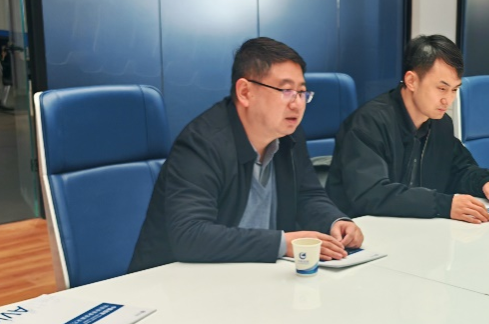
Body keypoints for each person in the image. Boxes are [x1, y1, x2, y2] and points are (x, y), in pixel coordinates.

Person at [129, 37, 363, 271]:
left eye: (302, 92)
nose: (297, 104)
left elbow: (307, 194)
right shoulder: (201, 143)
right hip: (176, 280)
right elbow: (190, 235)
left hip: (255, 272)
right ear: (245, 92)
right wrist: (282, 244)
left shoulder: (288, 134)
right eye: (286, 91)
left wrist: (335, 221)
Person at [326, 34, 489, 222]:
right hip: (360, 229)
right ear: (412, 81)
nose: (448, 100)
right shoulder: (368, 123)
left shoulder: (440, 124)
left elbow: (459, 169)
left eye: (454, 89)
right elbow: (371, 193)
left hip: (413, 228)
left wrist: (485, 181)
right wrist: (442, 205)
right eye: (441, 88)